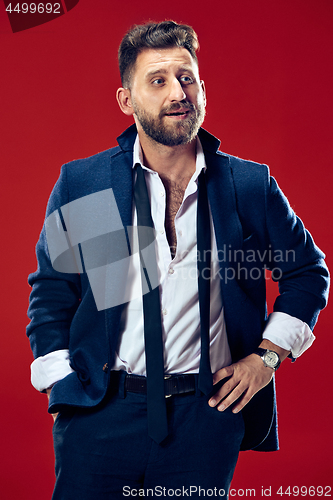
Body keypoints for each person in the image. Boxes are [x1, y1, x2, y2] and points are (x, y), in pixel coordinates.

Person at [27, 21, 329, 499]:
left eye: (186, 77)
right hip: (99, 415)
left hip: (205, 419)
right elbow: (52, 289)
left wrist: (267, 358)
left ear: (203, 88)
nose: (177, 93)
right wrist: (62, 379)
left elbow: (307, 274)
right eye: (158, 80)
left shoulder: (247, 186)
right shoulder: (88, 183)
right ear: (126, 100)